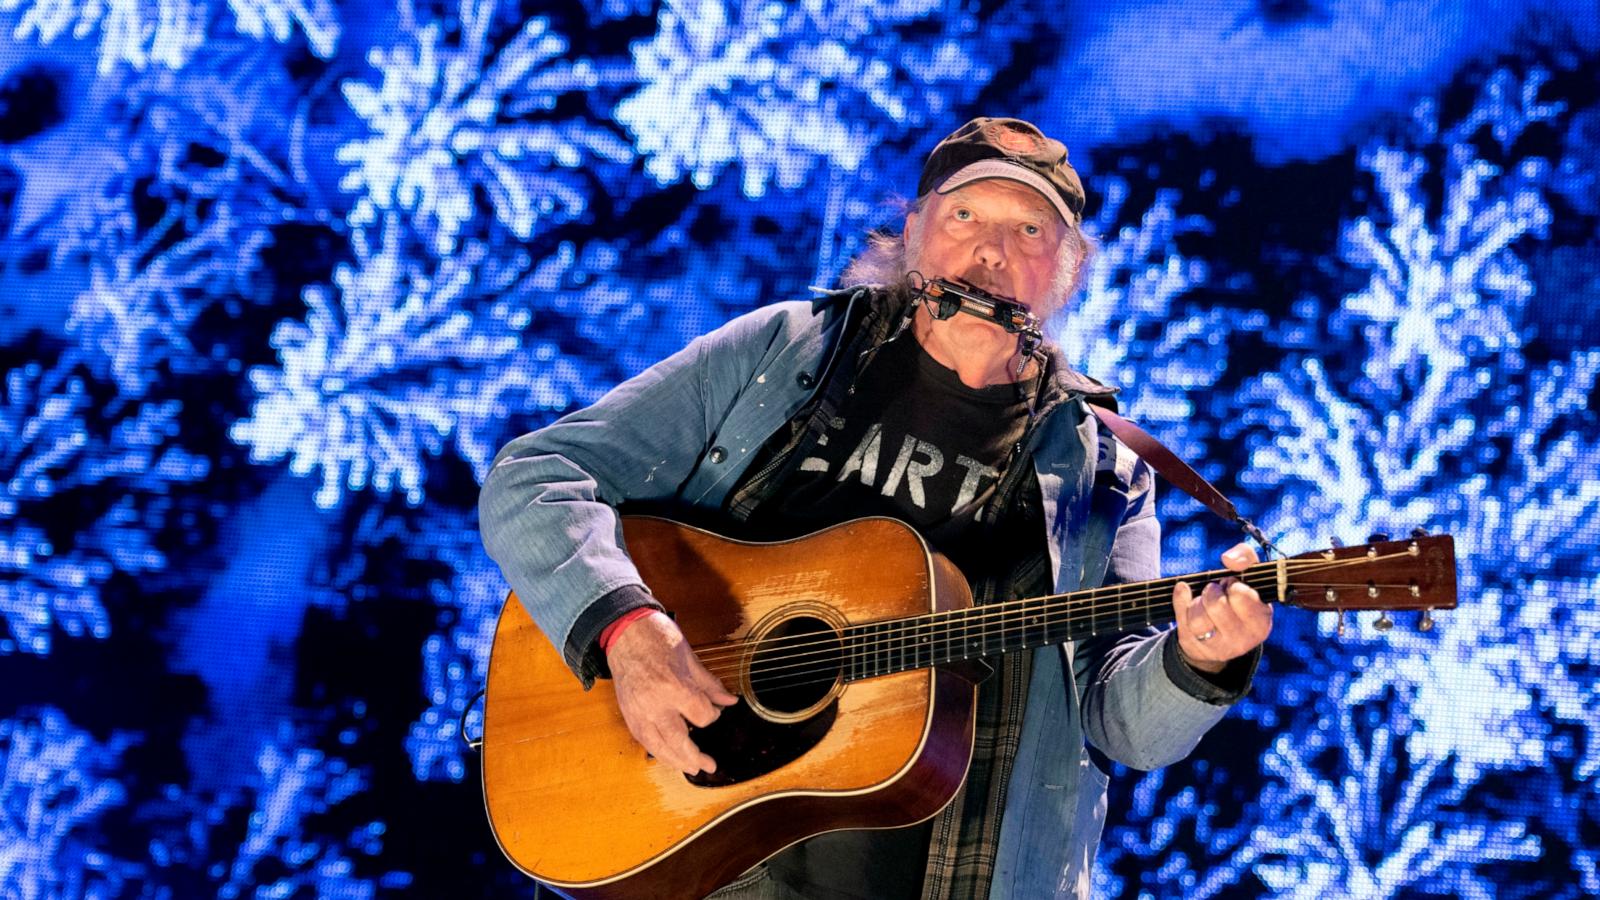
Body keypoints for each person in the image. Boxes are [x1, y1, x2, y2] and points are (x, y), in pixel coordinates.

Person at [479, 117, 1273, 900]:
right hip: (702, 849)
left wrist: (1201, 662)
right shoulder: (789, 351)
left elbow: (1119, 722)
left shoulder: (1105, 466)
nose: (991, 253)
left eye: (1029, 230)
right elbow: (537, 476)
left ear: (1065, 273)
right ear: (915, 231)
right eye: (965, 217)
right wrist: (627, 632)